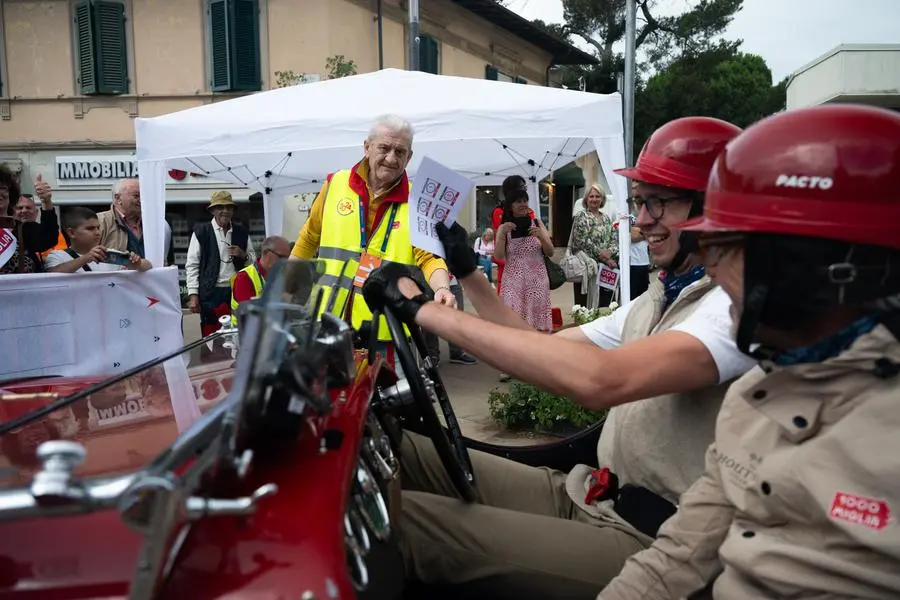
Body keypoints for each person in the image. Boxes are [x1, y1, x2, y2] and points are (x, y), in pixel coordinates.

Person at [363, 116, 756, 597]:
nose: (644, 218)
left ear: (714, 205)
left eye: (662, 201)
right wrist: (468, 273)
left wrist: (424, 310)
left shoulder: (731, 308)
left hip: (650, 540)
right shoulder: (658, 297)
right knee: (393, 447)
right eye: (640, 202)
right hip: (591, 491)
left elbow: (600, 381)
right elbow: (537, 350)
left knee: (392, 527)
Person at [599, 104, 900, 599]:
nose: (711, 270)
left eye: (724, 246)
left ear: (810, 267)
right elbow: (674, 561)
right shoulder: (752, 397)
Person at [289, 114, 455, 353]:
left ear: (409, 157)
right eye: (384, 148)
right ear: (367, 148)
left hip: (386, 328)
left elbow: (429, 258)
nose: (391, 158)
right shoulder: (335, 184)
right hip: (327, 322)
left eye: (400, 152)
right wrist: (285, 289)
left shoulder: (419, 201)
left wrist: (442, 289)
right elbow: (308, 239)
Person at [186, 191, 256, 336]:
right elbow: (192, 264)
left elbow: (254, 261)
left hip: (236, 289)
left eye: (229, 207)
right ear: (212, 210)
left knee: (238, 330)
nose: (225, 211)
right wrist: (193, 295)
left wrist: (243, 255)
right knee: (211, 332)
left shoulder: (241, 231)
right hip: (211, 292)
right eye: (220, 207)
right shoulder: (201, 232)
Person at [494, 187, 554, 332]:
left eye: (525, 200)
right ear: (510, 206)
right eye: (518, 201)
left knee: (537, 327)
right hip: (513, 285)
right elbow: (498, 256)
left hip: (537, 283)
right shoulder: (504, 228)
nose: (523, 204)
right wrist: (502, 233)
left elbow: (550, 252)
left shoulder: (537, 223)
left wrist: (541, 237)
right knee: (513, 325)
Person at [44, 207, 150, 273]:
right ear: (71, 233)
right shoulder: (57, 256)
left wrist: (137, 263)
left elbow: (149, 266)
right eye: (90, 228)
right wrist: (85, 258)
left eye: (98, 227)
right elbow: (51, 276)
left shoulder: (108, 255)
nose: (97, 232)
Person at [97, 178, 173, 264]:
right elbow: (88, 258)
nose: (141, 200)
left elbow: (167, 260)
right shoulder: (100, 222)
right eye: (136, 196)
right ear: (118, 198)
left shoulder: (160, 224)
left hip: (151, 277)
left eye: (143, 196)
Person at [0, 168, 59, 275]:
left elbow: (48, 238)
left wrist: (46, 201)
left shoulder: (23, 229)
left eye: (2, 188)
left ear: (10, 194)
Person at [570, 184, 618, 308]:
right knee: (585, 306)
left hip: (606, 268)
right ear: (586, 199)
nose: (594, 199)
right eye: (591, 196)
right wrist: (605, 257)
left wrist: (610, 253)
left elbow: (614, 240)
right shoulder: (581, 216)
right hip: (587, 268)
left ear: (602, 199)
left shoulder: (607, 218)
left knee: (605, 304)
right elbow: (581, 242)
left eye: (598, 196)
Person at [230, 235, 291, 324]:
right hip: (243, 332)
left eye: (287, 257)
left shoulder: (281, 274)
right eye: (281, 256)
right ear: (266, 253)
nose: (284, 261)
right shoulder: (244, 277)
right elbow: (250, 315)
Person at [491, 175, 535, 294]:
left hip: (529, 265)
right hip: (508, 263)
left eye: (525, 187)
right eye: (522, 187)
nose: (525, 189)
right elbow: (501, 239)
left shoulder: (529, 212)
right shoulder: (499, 212)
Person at [14, 193, 67, 259]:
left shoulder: (53, 233)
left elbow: (61, 258)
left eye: (28, 208)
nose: (24, 210)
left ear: (36, 213)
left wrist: (46, 202)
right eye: (20, 208)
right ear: (13, 212)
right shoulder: (8, 232)